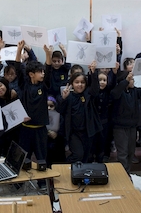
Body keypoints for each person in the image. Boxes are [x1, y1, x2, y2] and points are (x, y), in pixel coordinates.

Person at [15, 40, 52, 189]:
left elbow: (49, 68)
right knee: (24, 158)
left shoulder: (44, 85)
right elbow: (18, 67)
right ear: (31, 74)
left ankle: (42, 183)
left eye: (43, 72)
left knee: (42, 158)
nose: (42, 74)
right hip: (25, 129)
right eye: (39, 72)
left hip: (40, 129)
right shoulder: (24, 85)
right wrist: (18, 50)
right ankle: (20, 182)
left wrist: (47, 54)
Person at [57, 61, 102, 163]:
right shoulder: (68, 96)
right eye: (77, 82)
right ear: (72, 83)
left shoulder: (88, 94)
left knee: (87, 155)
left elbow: (95, 89)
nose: (80, 85)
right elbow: (60, 110)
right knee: (78, 154)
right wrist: (63, 98)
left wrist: (93, 72)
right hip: (74, 133)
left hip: (87, 131)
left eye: (82, 82)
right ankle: (65, 167)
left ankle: (81, 174)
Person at [111, 71, 141, 173]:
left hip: (132, 126)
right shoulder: (118, 91)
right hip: (120, 127)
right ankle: (124, 174)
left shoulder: (134, 91)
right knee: (123, 152)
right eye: (131, 79)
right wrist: (126, 81)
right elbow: (114, 94)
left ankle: (127, 171)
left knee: (131, 151)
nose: (133, 81)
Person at [46, 95, 65, 167]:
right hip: (45, 145)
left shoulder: (60, 117)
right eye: (47, 106)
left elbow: (63, 131)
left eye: (51, 106)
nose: (49, 108)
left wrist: (57, 134)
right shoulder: (40, 117)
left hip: (58, 144)